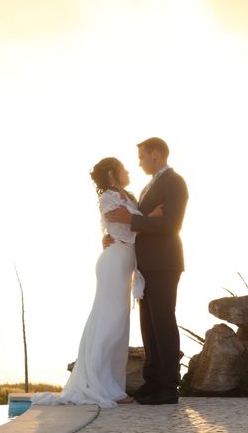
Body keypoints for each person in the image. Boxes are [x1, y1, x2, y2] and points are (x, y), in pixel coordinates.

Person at [32, 157, 161, 408]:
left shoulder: (130, 196)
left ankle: (112, 384)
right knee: (109, 321)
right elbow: (124, 223)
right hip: (113, 263)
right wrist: (152, 217)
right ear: (113, 173)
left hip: (125, 263)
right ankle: (101, 385)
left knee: (119, 325)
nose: (128, 171)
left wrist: (140, 220)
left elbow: (128, 222)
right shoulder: (108, 199)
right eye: (123, 168)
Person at [105, 137, 188, 405]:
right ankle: (153, 381)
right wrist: (112, 236)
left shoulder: (175, 182)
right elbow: (138, 223)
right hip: (145, 264)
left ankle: (168, 387)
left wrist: (133, 220)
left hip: (164, 262)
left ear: (155, 154)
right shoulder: (147, 187)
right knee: (149, 324)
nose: (138, 162)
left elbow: (171, 224)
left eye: (141, 156)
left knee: (163, 321)